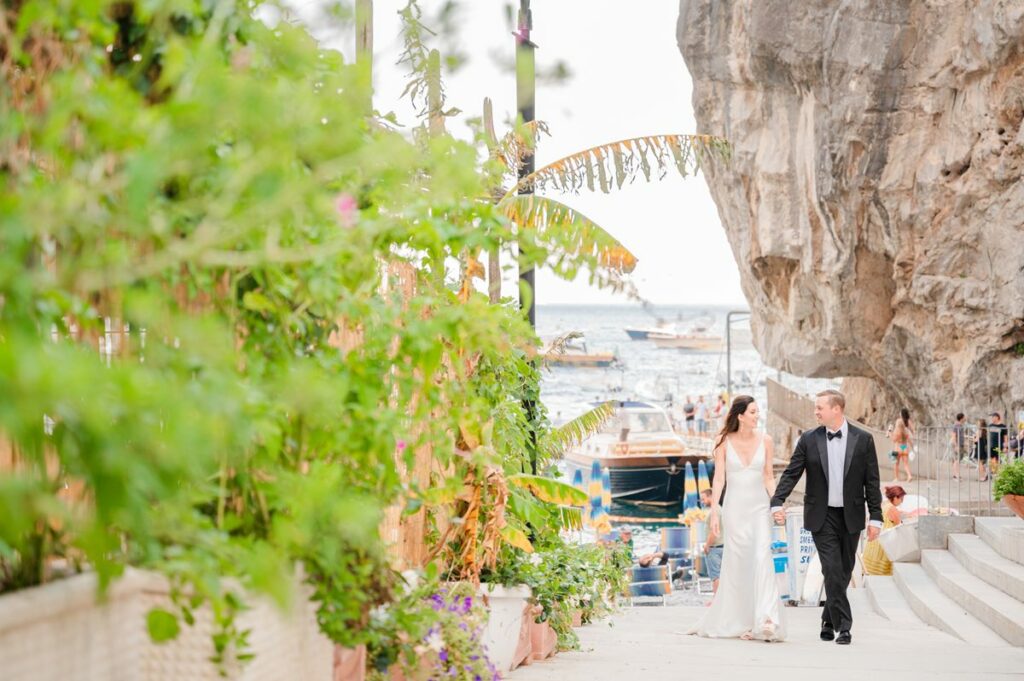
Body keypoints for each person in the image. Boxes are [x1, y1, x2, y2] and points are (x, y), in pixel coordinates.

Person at [771, 389, 883, 646]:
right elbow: (792, 472)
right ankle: (844, 627)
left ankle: (827, 620)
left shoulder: (863, 439)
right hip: (821, 515)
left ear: (836, 409)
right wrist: (777, 500)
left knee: (843, 572)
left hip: (851, 515)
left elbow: (872, 481)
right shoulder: (809, 439)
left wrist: (876, 517)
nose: (815, 411)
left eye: (820, 407)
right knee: (831, 568)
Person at [688, 395, 786, 642]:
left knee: (762, 556)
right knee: (739, 562)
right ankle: (743, 620)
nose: (757, 416)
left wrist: (777, 504)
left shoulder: (766, 441)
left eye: (757, 411)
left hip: (759, 508)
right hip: (734, 509)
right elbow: (719, 479)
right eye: (753, 412)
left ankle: (767, 619)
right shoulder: (723, 442)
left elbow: (768, 477)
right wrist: (714, 512)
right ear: (740, 416)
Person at [862, 486, 906, 576]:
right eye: (901, 499)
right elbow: (899, 526)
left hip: (873, 546)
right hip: (883, 547)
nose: (902, 502)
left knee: (870, 575)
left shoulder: (883, 504)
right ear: (895, 497)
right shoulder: (893, 509)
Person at [700, 488, 724, 594]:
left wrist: (707, 546)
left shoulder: (714, 512)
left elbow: (714, 532)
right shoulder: (719, 509)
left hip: (714, 548)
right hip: (721, 546)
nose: (702, 501)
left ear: (710, 497)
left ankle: (716, 600)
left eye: (703, 499)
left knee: (715, 576)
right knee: (721, 575)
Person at [889, 408, 914, 483]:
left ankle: (896, 478)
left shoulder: (898, 430)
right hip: (904, 447)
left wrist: (889, 431)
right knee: (906, 464)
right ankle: (909, 475)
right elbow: (909, 436)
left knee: (896, 463)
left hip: (897, 447)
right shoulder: (906, 430)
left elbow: (893, 439)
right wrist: (912, 446)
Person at [989, 412, 1008, 476]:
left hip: (999, 445)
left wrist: (1005, 446)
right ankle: (993, 471)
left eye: (993, 417)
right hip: (991, 445)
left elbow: (1005, 437)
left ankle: (997, 472)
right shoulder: (990, 425)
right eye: (992, 417)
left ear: (997, 417)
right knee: (991, 458)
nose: (992, 418)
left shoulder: (1003, 426)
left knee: (998, 458)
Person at [951, 413, 966, 481]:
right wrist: (956, 445)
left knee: (958, 460)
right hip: (958, 445)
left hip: (961, 444)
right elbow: (953, 436)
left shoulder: (961, 425)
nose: (965, 418)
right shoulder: (956, 426)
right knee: (956, 460)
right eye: (964, 417)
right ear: (961, 418)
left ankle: (956, 474)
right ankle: (956, 475)